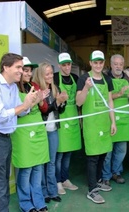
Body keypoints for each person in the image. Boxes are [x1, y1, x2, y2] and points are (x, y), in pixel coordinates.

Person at [0, 53, 39, 212]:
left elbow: (19, 111)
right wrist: (24, 106)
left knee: (3, 181)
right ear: (6, 67)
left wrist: (30, 103)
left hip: (4, 139)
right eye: (18, 67)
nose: (21, 71)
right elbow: (0, 116)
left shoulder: (12, 87)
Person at [76, 50, 117, 204]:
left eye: (101, 62)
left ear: (103, 63)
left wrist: (113, 122)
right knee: (93, 157)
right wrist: (86, 88)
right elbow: (79, 102)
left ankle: (98, 180)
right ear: (91, 63)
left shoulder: (107, 79)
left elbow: (110, 102)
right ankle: (92, 190)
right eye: (95, 62)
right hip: (92, 124)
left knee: (102, 154)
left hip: (104, 123)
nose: (98, 65)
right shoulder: (84, 79)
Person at [11, 57, 49, 212]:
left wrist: (41, 101)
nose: (28, 73)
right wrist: (33, 102)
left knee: (38, 168)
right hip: (23, 133)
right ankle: (26, 203)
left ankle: (39, 202)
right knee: (26, 170)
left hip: (38, 130)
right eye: (25, 70)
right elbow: (17, 112)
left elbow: (45, 109)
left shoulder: (33, 85)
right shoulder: (12, 89)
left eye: (29, 71)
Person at [32, 62, 68, 203]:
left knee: (51, 162)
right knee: (41, 163)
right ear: (40, 75)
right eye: (47, 74)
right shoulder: (37, 90)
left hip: (53, 130)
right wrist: (57, 102)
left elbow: (60, 110)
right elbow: (45, 110)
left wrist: (62, 102)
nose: (50, 76)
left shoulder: (55, 88)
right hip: (41, 131)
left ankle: (53, 191)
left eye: (51, 73)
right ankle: (43, 192)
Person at [102, 54, 129, 185]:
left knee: (121, 150)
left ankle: (116, 172)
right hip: (110, 119)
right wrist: (119, 94)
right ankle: (106, 176)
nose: (118, 66)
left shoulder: (128, 79)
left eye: (120, 64)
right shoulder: (105, 79)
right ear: (111, 65)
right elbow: (104, 98)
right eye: (115, 64)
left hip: (124, 120)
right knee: (108, 151)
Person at [53, 53, 81, 194]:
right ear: (59, 65)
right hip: (61, 119)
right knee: (59, 154)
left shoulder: (75, 78)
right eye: (63, 65)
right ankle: (57, 181)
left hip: (73, 118)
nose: (67, 67)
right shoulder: (55, 78)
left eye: (68, 64)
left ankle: (65, 179)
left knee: (68, 153)